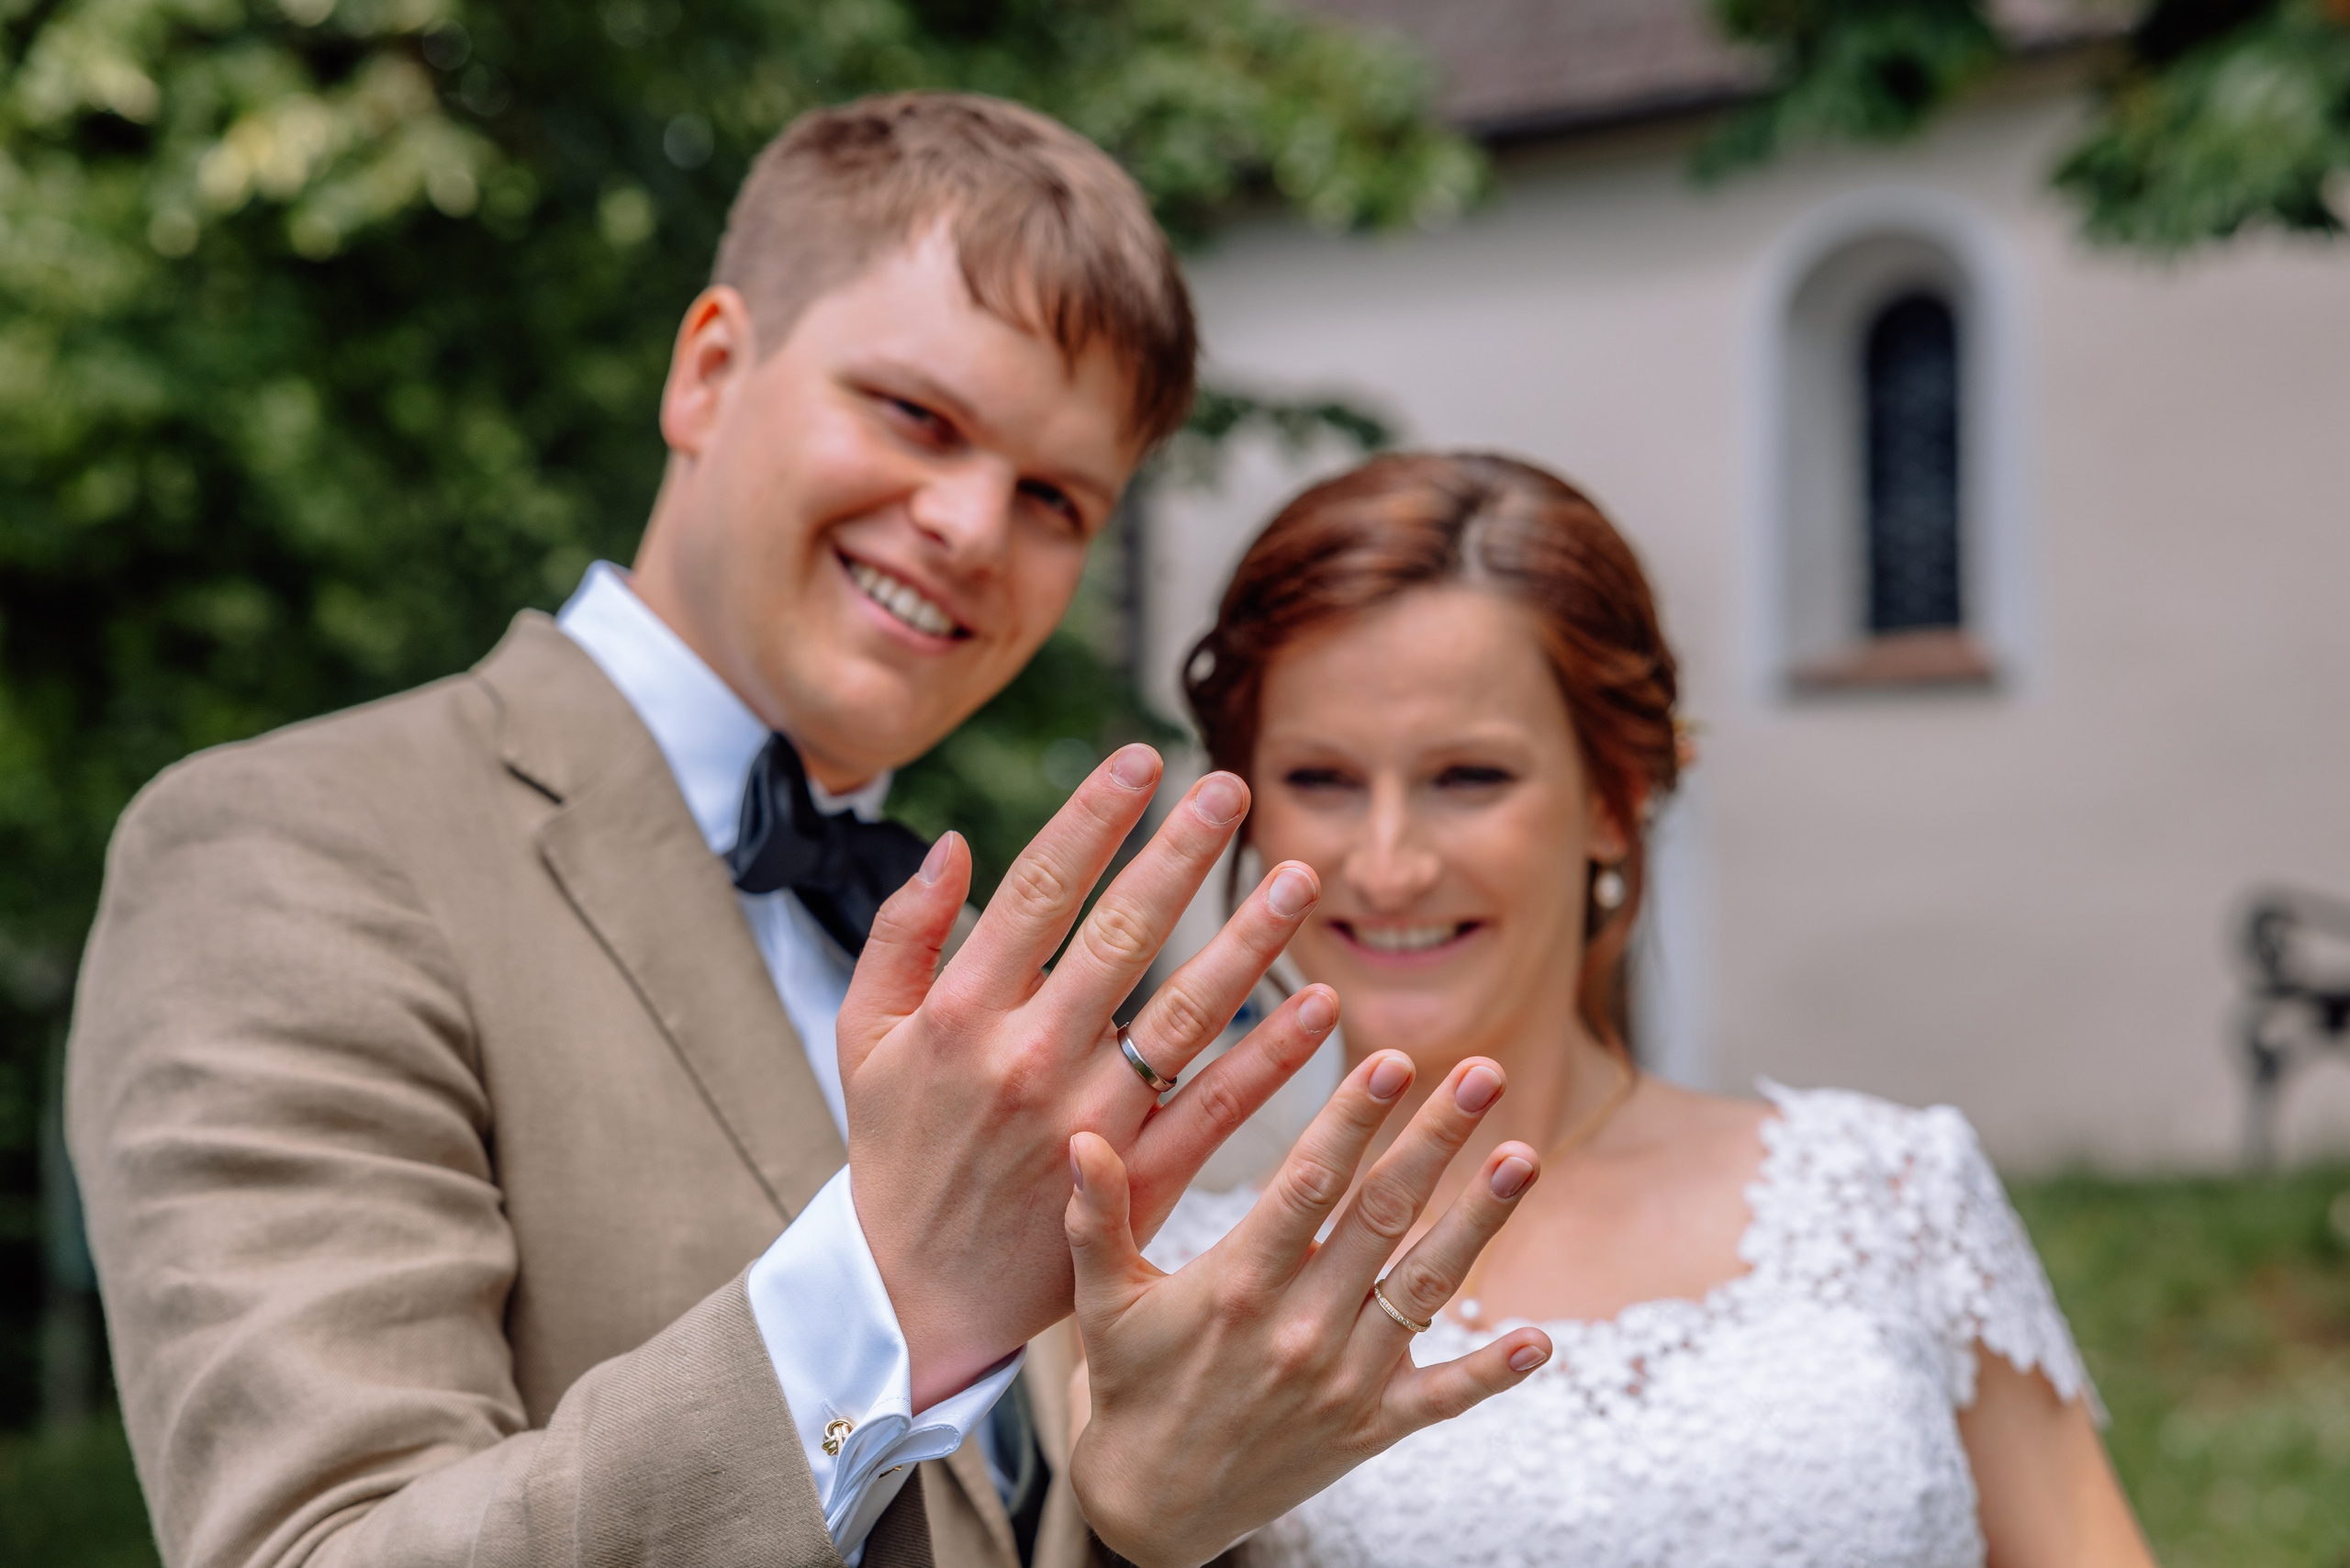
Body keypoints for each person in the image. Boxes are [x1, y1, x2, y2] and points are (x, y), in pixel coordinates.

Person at [64, 98, 1553, 1568]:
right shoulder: (288, 845)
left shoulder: (989, 1000)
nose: (973, 524)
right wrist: (887, 1288)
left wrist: (1161, 1516)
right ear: (711, 370)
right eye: (918, 415)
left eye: (1052, 495)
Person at [1132, 450, 2157, 1566]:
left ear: (1614, 802)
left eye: (1468, 776)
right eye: (1321, 779)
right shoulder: (1168, 1279)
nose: (1385, 865)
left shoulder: (1895, 1196)